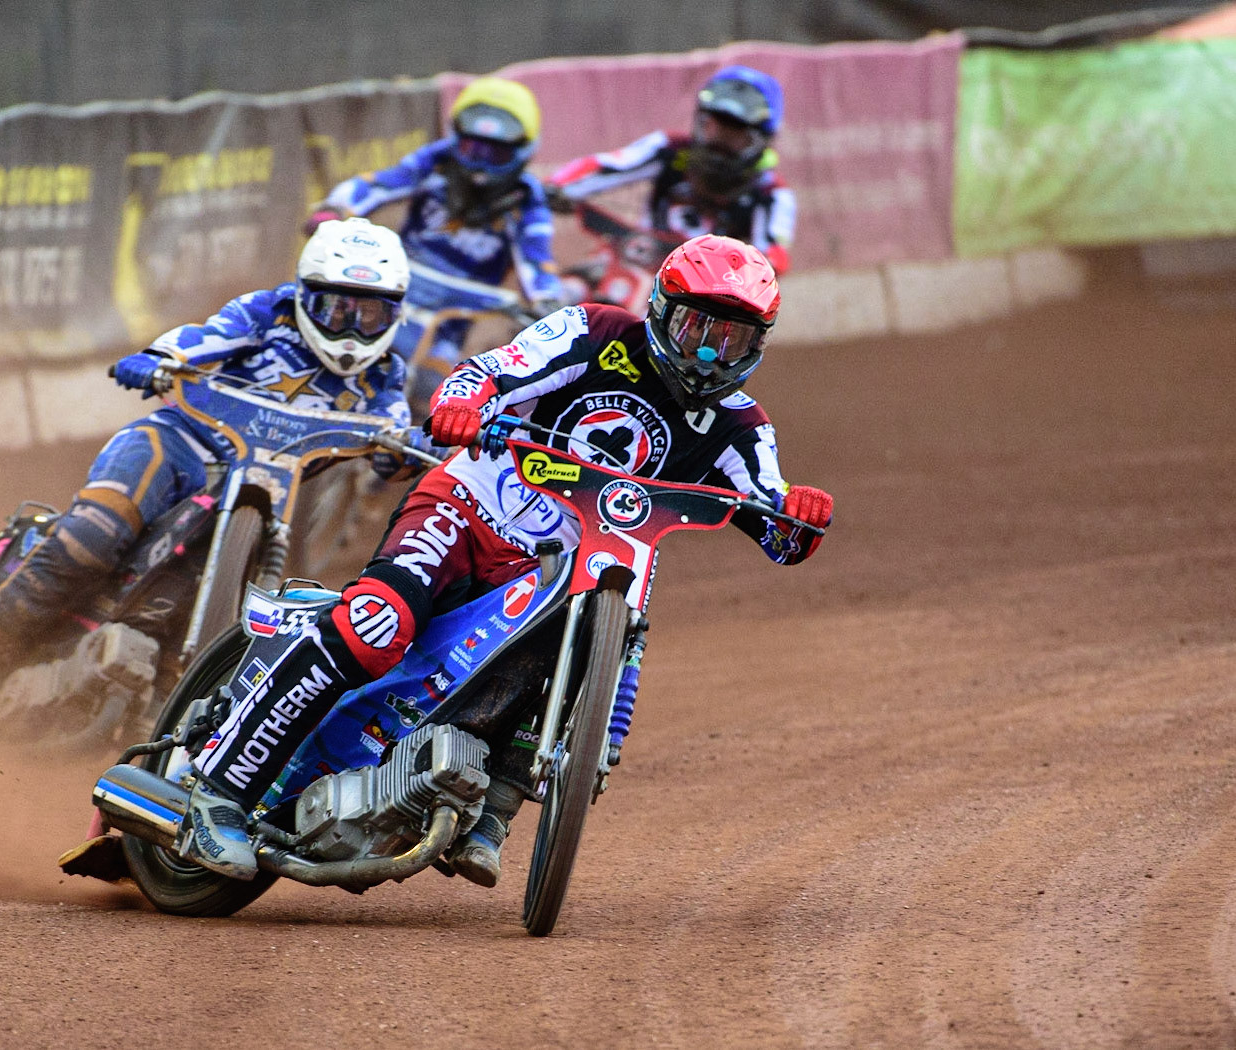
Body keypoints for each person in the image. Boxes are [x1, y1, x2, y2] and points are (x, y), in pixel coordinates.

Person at [177, 234, 834, 885]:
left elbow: (775, 520)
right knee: (378, 623)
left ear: (759, 344)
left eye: (734, 338)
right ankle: (216, 795)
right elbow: (490, 371)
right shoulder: (593, 332)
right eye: (697, 327)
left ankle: (489, 810)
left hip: (552, 575)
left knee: (579, 652)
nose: (710, 352)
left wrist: (801, 517)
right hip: (469, 507)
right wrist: (461, 404)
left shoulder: (741, 428)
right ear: (662, 309)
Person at [0, 217, 416, 714]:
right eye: (336, 309)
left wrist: (402, 450)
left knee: (263, 605)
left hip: (267, 490)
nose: (352, 328)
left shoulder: (384, 375)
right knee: (95, 533)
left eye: (370, 315)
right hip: (178, 446)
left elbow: (394, 432)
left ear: (394, 315)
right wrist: (161, 357)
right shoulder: (268, 313)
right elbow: (204, 338)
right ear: (305, 297)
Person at [305, 76, 568, 413]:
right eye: (473, 149)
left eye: (497, 153)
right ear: (456, 137)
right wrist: (335, 208)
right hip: (397, 284)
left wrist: (547, 300)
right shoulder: (435, 162)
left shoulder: (527, 199)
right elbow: (379, 184)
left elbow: (537, 260)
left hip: (456, 311)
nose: (481, 164)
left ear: (522, 151)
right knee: (333, 338)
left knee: (432, 396)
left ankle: (408, 457)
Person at [545, 65, 796, 274]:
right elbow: (609, 166)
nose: (719, 142)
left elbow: (771, 261)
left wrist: (730, 270)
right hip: (636, 258)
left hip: (704, 292)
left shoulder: (772, 194)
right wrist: (559, 187)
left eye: (734, 135)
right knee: (575, 288)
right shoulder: (671, 149)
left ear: (761, 140)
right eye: (713, 128)